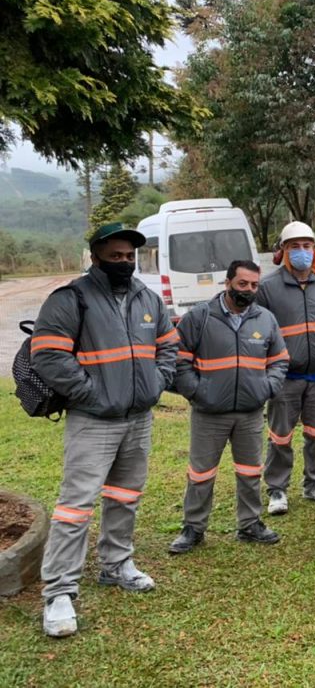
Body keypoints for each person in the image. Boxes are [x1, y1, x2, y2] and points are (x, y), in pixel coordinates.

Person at [30, 223, 179, 638]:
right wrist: (91, 394)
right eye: (116, 257)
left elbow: (169, 345)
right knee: (75, 506)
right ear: (95, 256)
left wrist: (157, 381)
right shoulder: (71, 299)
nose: (125, 263)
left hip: (138, 418)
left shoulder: (147, 298)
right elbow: (47, 356)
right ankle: (59, 592)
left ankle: (116, 564)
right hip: (93, 420)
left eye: (130, 257)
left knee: (125, 496)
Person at [168, 261, 291, 554]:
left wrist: (266, 388)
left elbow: (280, 360)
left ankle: (250, 524)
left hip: (249, 412)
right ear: (227, 283)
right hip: (209, 412)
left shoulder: (265, 319)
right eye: (242, 284)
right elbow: (178, 359)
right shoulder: (199, 317)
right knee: (201, 473)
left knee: (250, 471)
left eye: (253, 286)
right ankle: (193, 528)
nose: (248, 290)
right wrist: (197, 391)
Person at [257, 221, 315, 515]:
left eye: (307, 246)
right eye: (294, 246)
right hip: (285, 377)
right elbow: (259, 329)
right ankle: (277, 489)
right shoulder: (268, 288)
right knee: (280, 436)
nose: (301, 252)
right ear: (283, 250)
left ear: (314, 248)